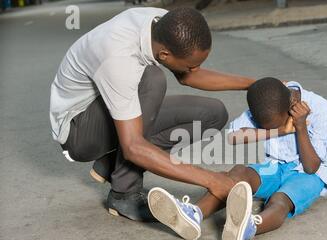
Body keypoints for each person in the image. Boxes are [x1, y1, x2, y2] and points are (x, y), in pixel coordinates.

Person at [50, 7, 256, 222]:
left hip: (112, 105)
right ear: (165, 54)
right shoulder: (119, 59)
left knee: (212, 114)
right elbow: (133, 147)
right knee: (152, 79)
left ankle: (111, 161)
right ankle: (124, 193)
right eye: (192, 66)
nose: (195, 70)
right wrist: (212, 179)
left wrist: (253, 84)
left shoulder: (161, 23)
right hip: (78, 130)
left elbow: (188, 76)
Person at [148, 77, 327, 240]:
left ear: (292, 105)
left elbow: (312, 166)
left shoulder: (321, 109)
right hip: (275, 166)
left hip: (308, 174)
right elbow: (233, 137)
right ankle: (194, 214)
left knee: (279, 200)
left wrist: (300, 126)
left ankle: (248, 226)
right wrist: (279, 130)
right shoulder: (266, 104)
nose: (266, 129)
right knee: (238, 174)